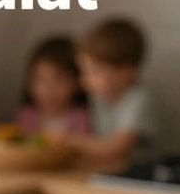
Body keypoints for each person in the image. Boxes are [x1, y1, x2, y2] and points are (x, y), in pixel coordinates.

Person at [66, 19, 155, 165]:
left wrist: (68, 141)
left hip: (139, 174)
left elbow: (117, 149)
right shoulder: (101, 98)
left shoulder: (137, 100)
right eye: (84, 71)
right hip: (110, 169)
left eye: (95, 72)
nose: (85, 80)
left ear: (126, 72)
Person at [18, 37, 91, 137]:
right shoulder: (27, 116)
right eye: (40, 79)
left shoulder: (84, 118)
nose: (49, 90)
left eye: (59, 80)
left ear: (78, 82)